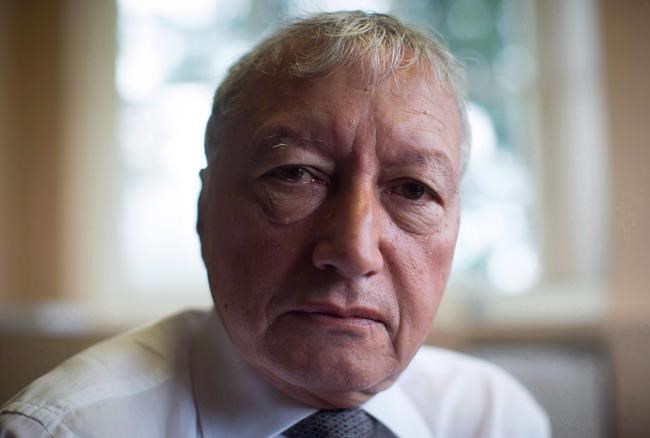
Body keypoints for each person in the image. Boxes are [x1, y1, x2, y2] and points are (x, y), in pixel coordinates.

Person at [0, 11, 549, 437]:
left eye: (413, 190)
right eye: (295, 175)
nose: (355, 251)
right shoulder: (67, 430)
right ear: (204, 211)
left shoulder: (494, 419)